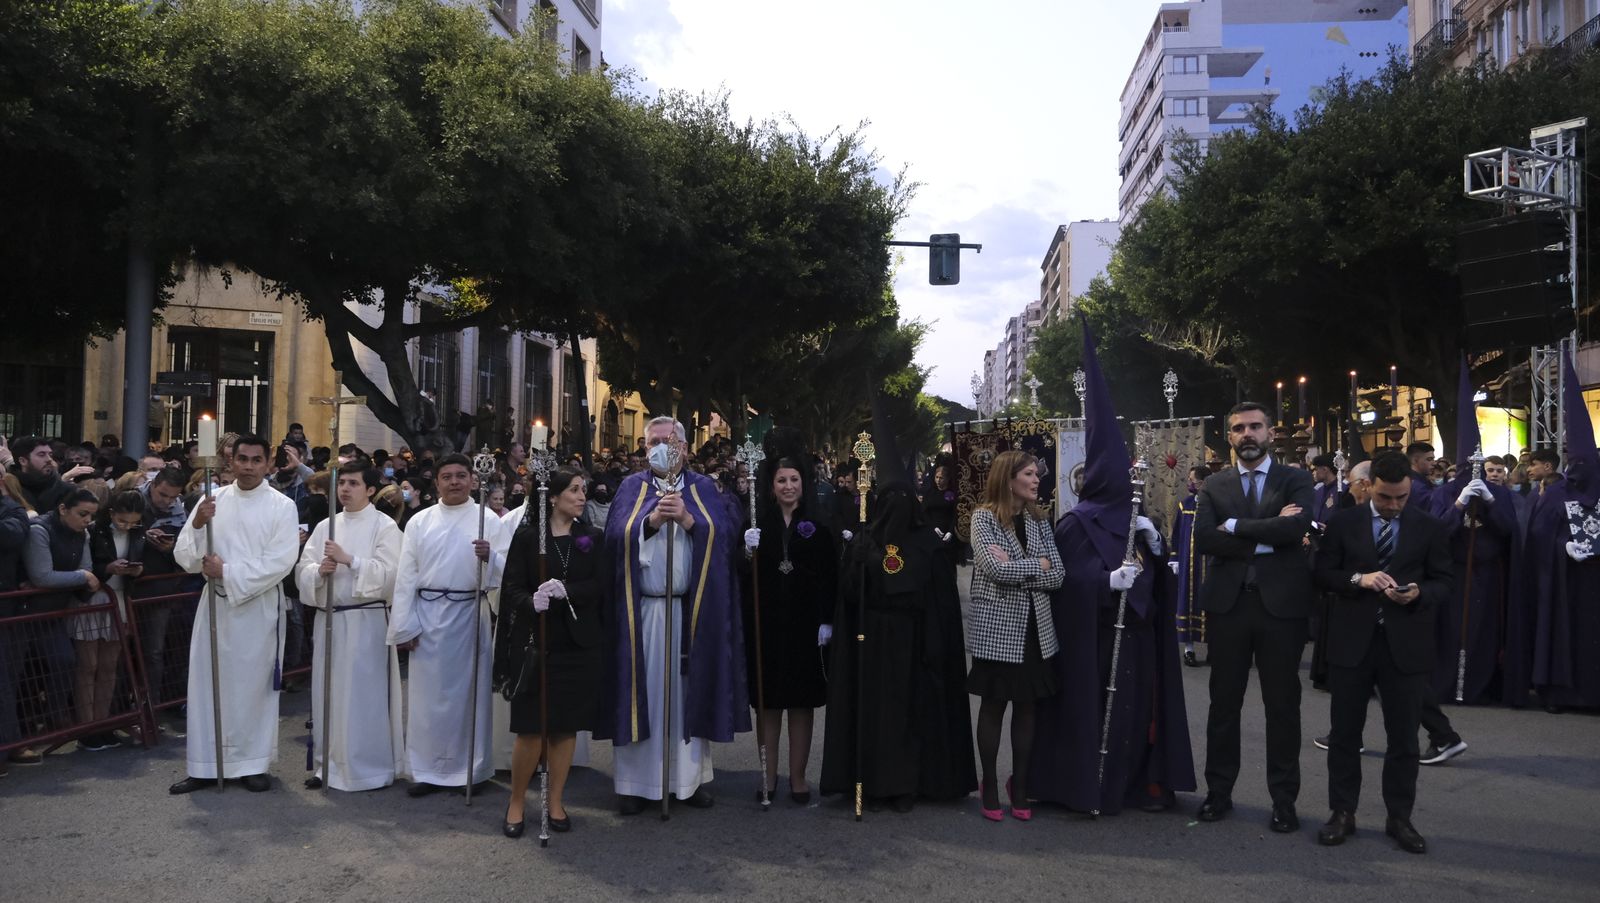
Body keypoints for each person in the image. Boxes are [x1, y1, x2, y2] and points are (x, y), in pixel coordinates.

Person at [1032, 329, 1194, 815]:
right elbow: (1063, 580)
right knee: (1099, 710)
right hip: (1099, 637)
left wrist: (1157, 548)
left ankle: (1137, 782)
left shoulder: (1136, 518)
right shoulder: (1076, 523)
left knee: (1138, 713)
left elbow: (1158, 577)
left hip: (1139, 637)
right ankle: (1093, 784)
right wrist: (1103, 583)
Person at [602, 416, 747, 815]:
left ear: (684, 446)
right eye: (653, 441)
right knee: (642, 693)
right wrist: (648, 523)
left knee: (686, 695)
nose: (662, 447)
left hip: (689, 611)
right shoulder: (633, 487)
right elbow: (613, 538)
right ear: (645, 447)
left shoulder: (702, 489)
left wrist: (688, 520)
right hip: (644, 612)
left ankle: (689, 780)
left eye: (669, 440)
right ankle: (634, 785)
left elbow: (724, 539)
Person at [1313, 452, 1452, 854]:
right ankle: (1342, 813)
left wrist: (1419, 593)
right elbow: (1322, 574)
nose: (1393, 506)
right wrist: (1359, 578)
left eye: (1401, 498)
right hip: (1352, 643)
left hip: (1405, 646)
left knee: (1404, 739)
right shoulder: (1343, 523)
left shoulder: (1428, 527)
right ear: (1368, 485)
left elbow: (1445, 580)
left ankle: (1400, 818)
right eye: (1385, 497)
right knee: (1344, 735)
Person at [1193, 402, 1315, 833]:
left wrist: (1236, 527)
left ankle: (1284, 801)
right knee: (1223, 705)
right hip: (1229, 607)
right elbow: (1206, 538)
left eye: (1255, 427)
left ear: (1269, 433)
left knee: (1283, 707)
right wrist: (1267, 531)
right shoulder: (1215, 485)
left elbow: (1295, 530)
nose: (1248, 433)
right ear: (1229, 436)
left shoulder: (1296, 479)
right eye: (1239, 428)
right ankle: (1218, 793)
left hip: (1282, 608)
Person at [820, 483, 974, 812]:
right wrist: (858, 565)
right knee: (873, 714)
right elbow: (848, 594)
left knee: (907, 716)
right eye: (890, 502)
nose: (897, 510)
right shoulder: (865, 538)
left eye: (903, 502)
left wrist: (877, 564)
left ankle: (906, 784)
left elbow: (927, 593)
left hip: (912, 643)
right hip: (871, 641)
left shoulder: (926, 543)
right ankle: (871, 781)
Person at [168, 435, 301, 794]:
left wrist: (226, 571)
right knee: (207, 683)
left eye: (256, 460)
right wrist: (197, 524)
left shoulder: (282, 506)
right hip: (214, 606)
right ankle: (204, 765)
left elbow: (281, 561)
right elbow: (184, 555)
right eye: (242, 458)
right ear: (230, 460)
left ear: (268, 463)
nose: (248, 466)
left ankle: (252, 764)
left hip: (256, 607)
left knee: (252, 687)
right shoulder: (213, 501)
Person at [388, 453, 509, 796]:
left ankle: (470, 770)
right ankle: (426, 770)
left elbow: (509, 573)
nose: (454, 482)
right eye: (447, 476)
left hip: (470, 614)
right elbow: (406, 575)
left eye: (460, 475)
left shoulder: (488, 521)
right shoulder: (419, 522)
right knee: (427, 700)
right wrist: (405, 625)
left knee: (469, 697)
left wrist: (492, 558)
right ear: (437, 482)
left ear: (473, 480)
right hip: (427, 616)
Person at [494, 467, 606, 837]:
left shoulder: (591, 537)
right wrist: (533, 600)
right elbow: (510, 589)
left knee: (564, 727)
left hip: (576, 644)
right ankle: (516, 801)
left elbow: (601, 585)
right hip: (537, 644)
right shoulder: (529, 538)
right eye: (574, 489)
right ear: (552, 497)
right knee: (530, 729)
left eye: (583, 489)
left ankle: (555, 799)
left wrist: (568, 591)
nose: (581, 495)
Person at [964, 450, 1064, 821]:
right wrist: (1036, 566)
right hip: (999, 630)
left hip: (1037, 630)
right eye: (1029, 474)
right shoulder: (984, 518)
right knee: (993, 707)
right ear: (1009, 480)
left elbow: (1059, 575)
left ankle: (1019, 787)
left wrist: (1020, 567)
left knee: (1027, 709)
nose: (1037, 480)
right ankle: (989, 785)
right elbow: (993, 570)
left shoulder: (1040, 521)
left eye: (1037, 474)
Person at [294, 466, 404, 792]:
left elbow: (392, 575)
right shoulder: (326, 525)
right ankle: (328, 766)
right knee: (328, 693)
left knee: (362, 697)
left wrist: (350, 560)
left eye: (353, 483)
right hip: (330, 619)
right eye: (341, 483)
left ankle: (368, 767)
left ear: (370, 490)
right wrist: (319, 572)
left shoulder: (385, 527)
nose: (345, 489)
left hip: (366, 621)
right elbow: (303, 569)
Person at [1508, 356, 1600, 713]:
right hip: (1565, 586)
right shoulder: (1557, 496)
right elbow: (1539, 538)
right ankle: (1561, 692)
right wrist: (1564, 546)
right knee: (1565, 638)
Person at [742, 457, 836, 805]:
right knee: (767, 704)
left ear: (803, 484)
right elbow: (742, 575)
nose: (788, 486)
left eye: (794, 479)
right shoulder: (755, 523)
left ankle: (797, 777)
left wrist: (827, 620)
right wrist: (745, 551)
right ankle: (768, 775)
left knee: (800, 703)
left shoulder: (818, 525)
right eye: (781, 480)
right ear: (772, 487)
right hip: (766, 624)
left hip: (805, 625)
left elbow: (829, 575)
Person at [19, 488, 101, 757]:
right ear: (63, 509)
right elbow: (43, 575)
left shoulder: (83, 534)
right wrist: (80, 577)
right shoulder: (39, 530)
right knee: (22, 674)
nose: (87, 520)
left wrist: (77, 576)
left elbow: (86, 571)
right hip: (24, 613)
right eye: (82, 514)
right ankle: (25, 731)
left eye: (91, 515)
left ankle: (55, 718)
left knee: (63, 660)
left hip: (53, 613)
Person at [77, 490, 147, 750]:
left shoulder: (138, 531)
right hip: (93, 597)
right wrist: (108, 569)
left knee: (109, 665)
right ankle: (86, 727)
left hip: (120, 598)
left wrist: (136, 570)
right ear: (111, 514)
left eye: (133, 522)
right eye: (122, 521)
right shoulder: (94, 531)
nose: (128, 526)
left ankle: (103, 724)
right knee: (88, 665)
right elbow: (85, 566)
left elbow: (141, 560)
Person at [1173, 465, 1211, 667]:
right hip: (1188, 563)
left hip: (1209, 564)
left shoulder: (1215, 504)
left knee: (1211, 604)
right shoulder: (1185, 504)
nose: (1189, 483)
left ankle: (1214, 647)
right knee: (1187, 603)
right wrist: (1174, 558)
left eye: (1192, 480)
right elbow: (1177, 533)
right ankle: (1189, 650)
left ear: (1203, 483)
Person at [1405, 441, 1436, 511]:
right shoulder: (1416, 486)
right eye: (1429, 459)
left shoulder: (1417, 481)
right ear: (1415, 460)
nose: (1434, 463)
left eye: (1433, 459)